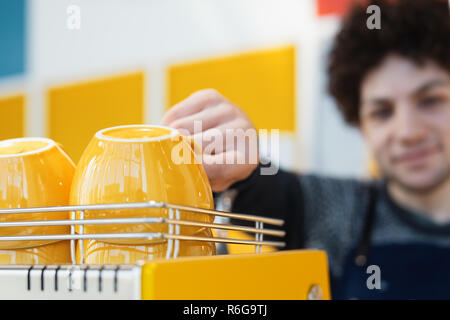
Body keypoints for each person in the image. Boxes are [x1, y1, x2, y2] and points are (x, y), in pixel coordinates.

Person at [161, 0, 450, 299]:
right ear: (360, 123)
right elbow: (267, 190)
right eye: (382, 112)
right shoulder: (344, 212)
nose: (408, 132)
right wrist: (239, 168)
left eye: (431, 100)